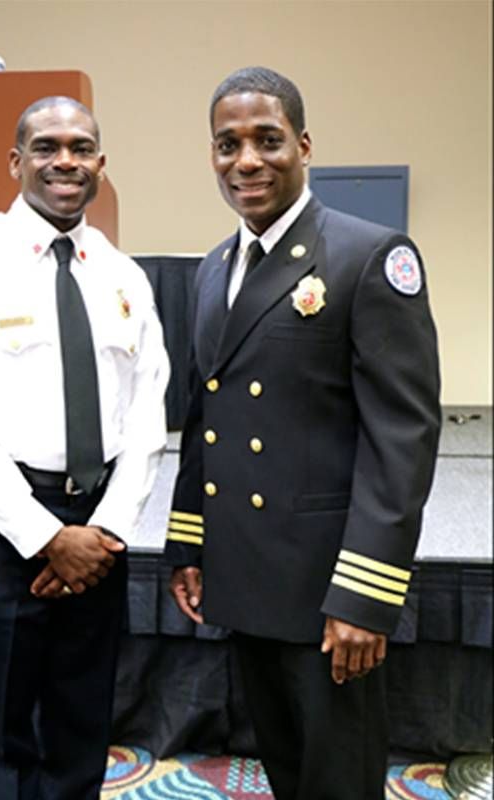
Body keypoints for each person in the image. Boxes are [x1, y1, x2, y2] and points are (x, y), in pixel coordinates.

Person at [165, 67, 440, 800]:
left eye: (267, 140)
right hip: (246, 576)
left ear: (305, 145)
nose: (246, 160)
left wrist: (364, 595)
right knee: (286, 771)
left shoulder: (369, 256)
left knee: (338, 781)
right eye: (228, 145)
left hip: (327, 591)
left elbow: (402, 440)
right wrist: (190, 542)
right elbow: (207, 417)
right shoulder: (214, 268)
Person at [0, 96, 170, 800]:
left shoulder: (123, 276)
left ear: (100, 165)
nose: (65, 161)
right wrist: (44, 536)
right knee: (2, 721)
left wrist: (105, 531)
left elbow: (147, 414)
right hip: (3, 524)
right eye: (47, 146)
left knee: (82, 717)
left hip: (98, 527)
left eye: (81, 148)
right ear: (16, 161)